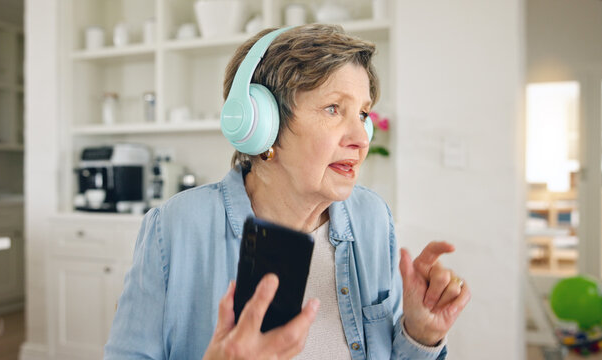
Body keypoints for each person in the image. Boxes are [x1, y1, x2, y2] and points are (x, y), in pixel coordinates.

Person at [104, 24, 470, 360]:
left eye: (362, 114)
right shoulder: (177, 227)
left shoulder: (372, 218)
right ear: (261, 124)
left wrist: (419, 336)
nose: (361, 139)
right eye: (332, 109)